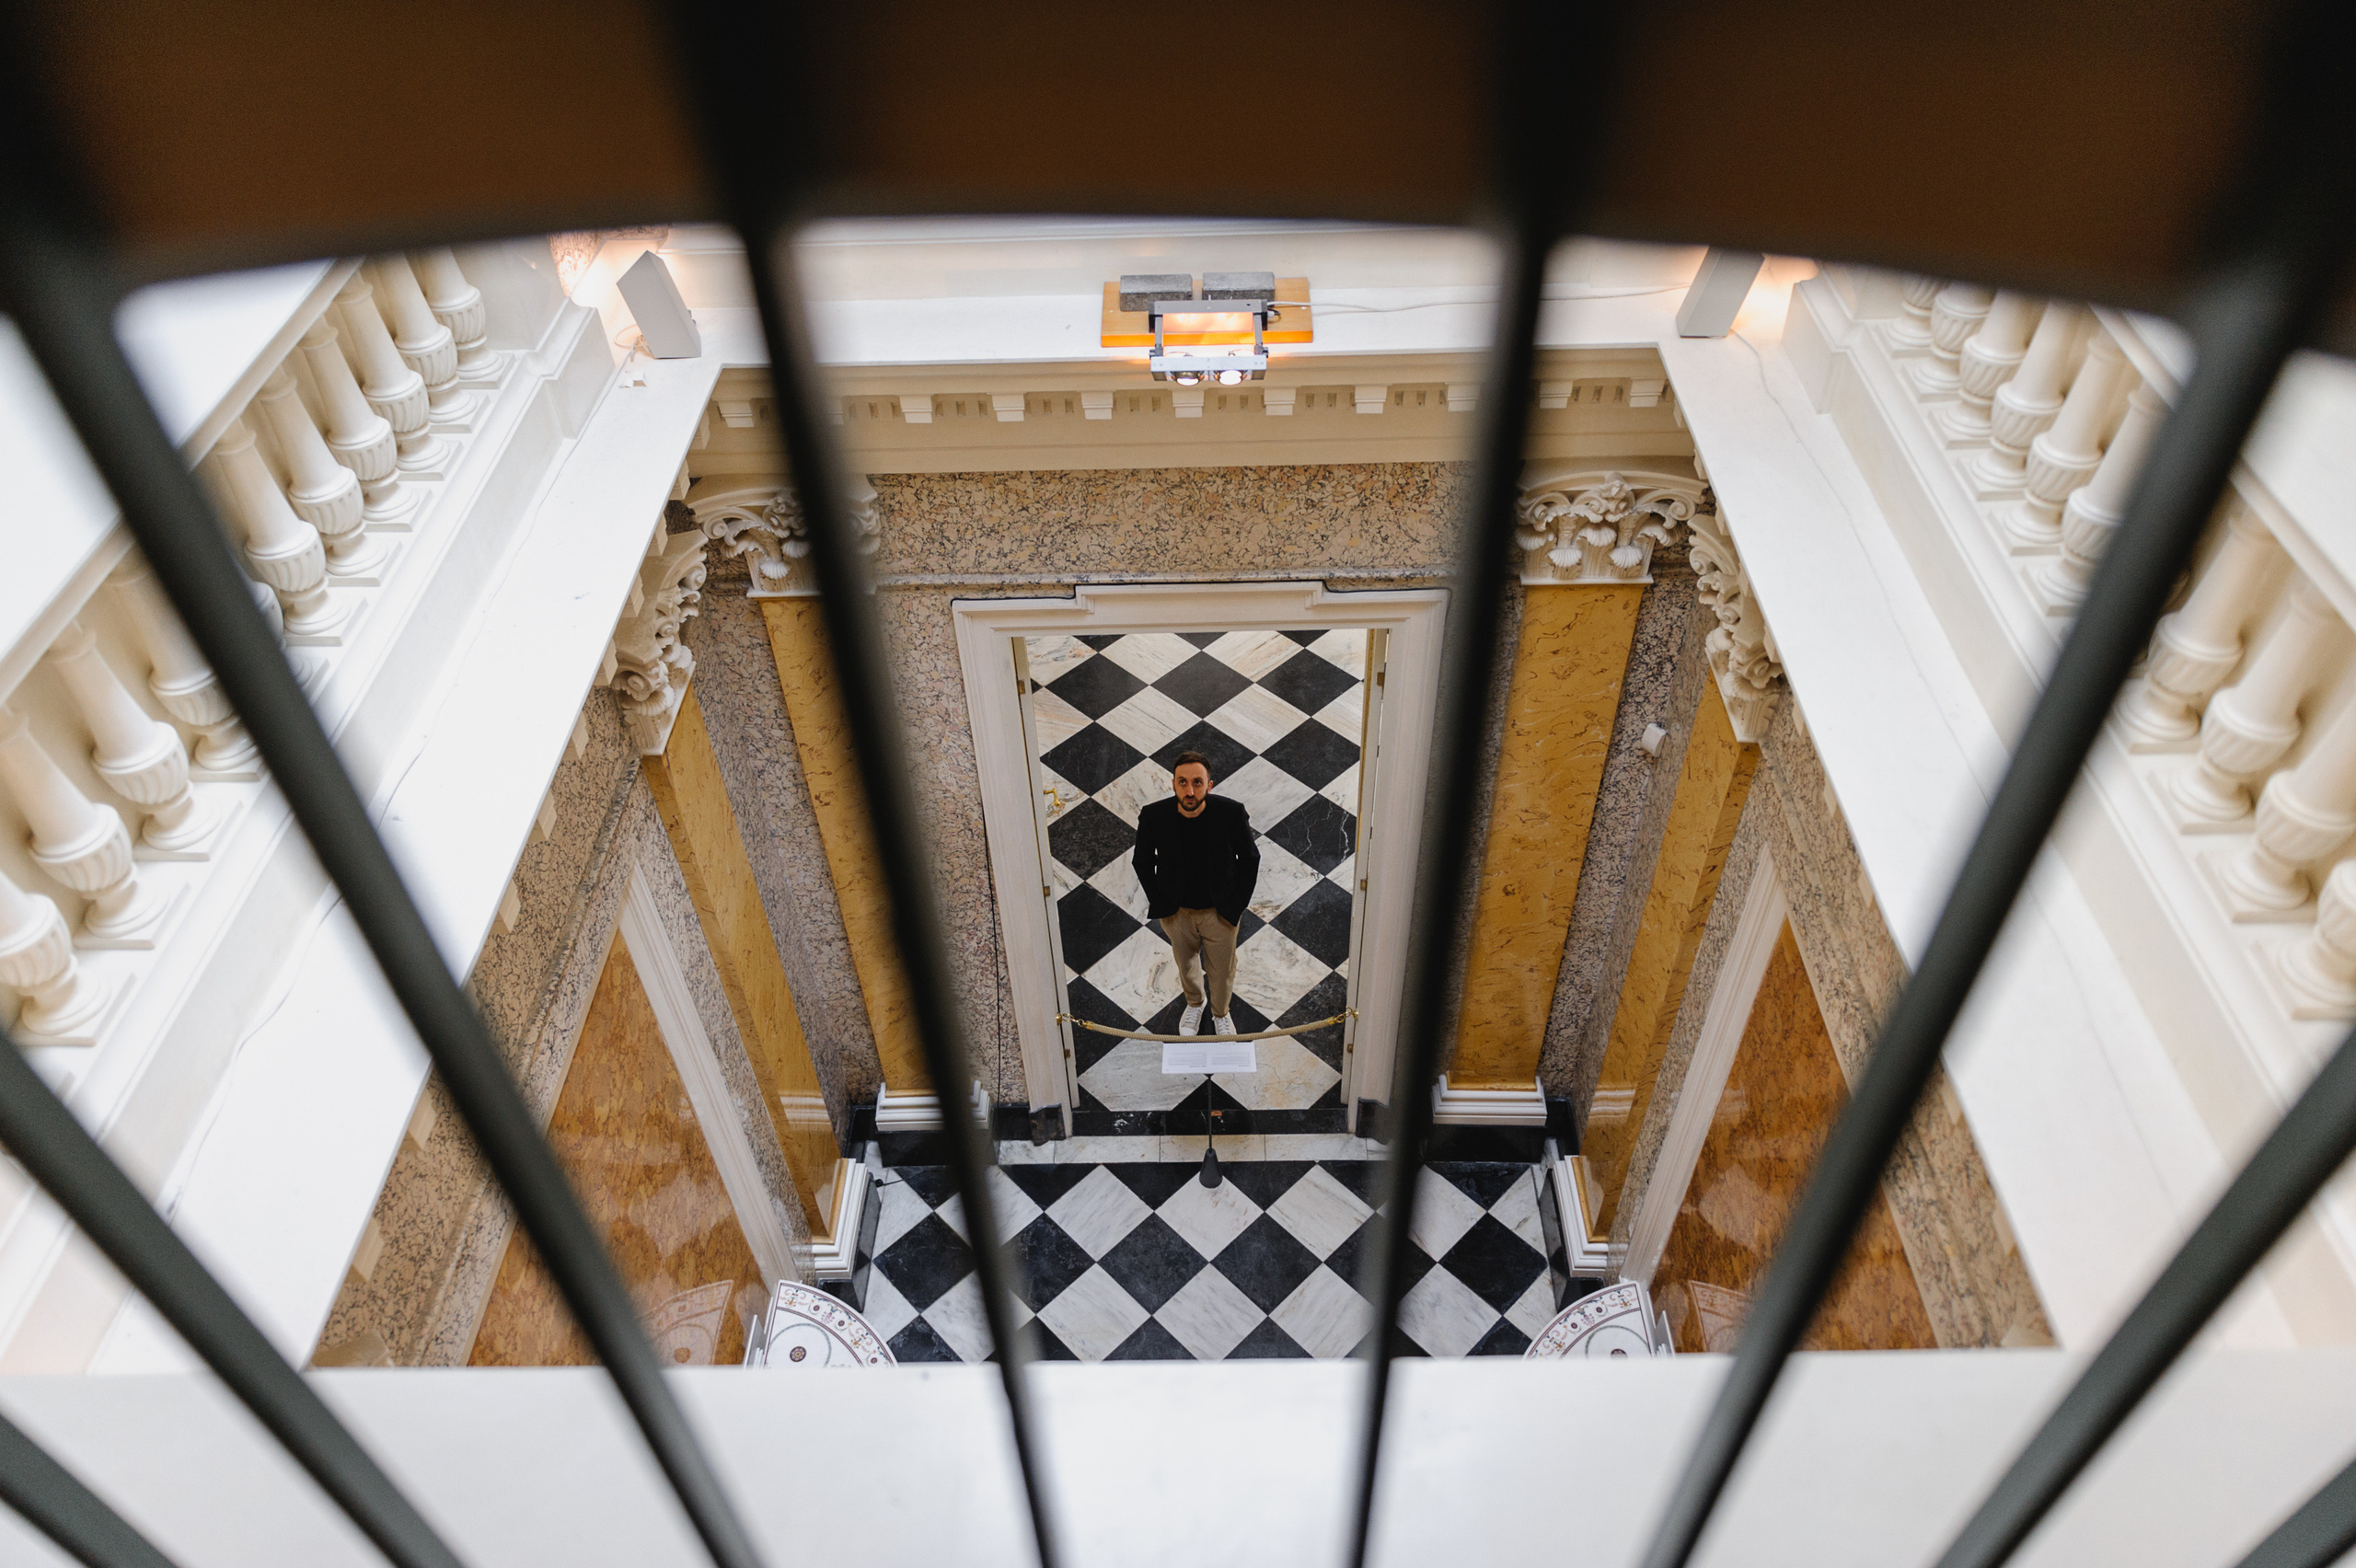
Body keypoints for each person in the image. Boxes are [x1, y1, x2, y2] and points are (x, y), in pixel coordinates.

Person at [1131, 751, 1260, 1036]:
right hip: (1177, 913)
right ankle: (1194, 1003)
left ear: (1210, 785)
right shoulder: (1154, 816)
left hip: (1220, 911)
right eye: (1183, 782)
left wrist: (1236, 904)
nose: (1190, 791)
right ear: (1173, 783)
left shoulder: (1231, 813)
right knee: (1185, 962)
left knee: (1222, 969)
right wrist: (1161, 902)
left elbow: (1250, 858)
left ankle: (1220, 1013)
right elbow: (1141, 861)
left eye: (1198, 783)